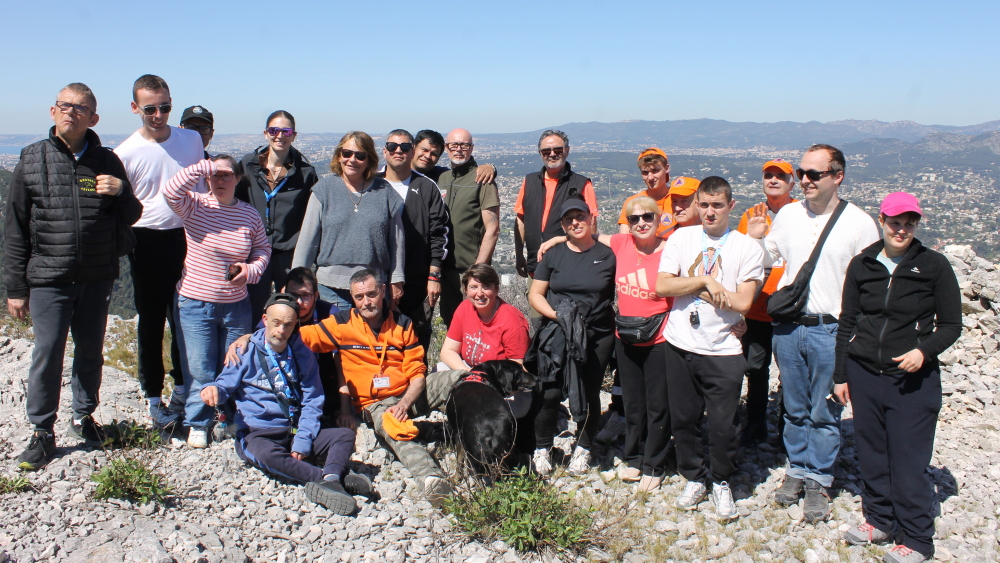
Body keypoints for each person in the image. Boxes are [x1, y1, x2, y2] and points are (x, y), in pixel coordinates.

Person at [228, 269, 463, 507]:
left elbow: (417, 372)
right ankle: (431, 479)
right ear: (352, 298)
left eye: (371, 294)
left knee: (462, 378)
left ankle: (485, 431)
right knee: (395, 430)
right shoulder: (340, 324)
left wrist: (405, 403)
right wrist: (251, 336)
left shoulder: (402, 324)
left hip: (409, 393)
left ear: (382, 292)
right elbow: (289, 333)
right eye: (359, 297)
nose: (366, 301)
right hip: (375, 403)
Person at [6, 83, 142, 470]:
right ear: (53, 112)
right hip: (49, 277)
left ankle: (84, 417)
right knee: (48, 353)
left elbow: (131, 216)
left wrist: (121, 192)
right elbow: (15, 228)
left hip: (97, 276)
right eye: (65, 106)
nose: (71, 113)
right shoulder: (32, 159)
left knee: (90, 351)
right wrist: (17, 287)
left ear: (93, 118)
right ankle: (42, 432)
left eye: (80, 108)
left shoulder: (108, 160)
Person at [746, 144, 879, 522]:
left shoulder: (858, 224)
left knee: (825, 409)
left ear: (837, 176)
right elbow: (769, 257)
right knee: (794, 406)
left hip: (830, 328)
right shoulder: (788, 214)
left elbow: (869, 286)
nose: (804, 180)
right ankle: (797, 468)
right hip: (788, 327)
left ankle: (819, 478)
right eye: (802, 173)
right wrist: (757, 238)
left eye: (813, 174)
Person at [833, 193, 961, 563]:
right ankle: (880, 520)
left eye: (909, 222)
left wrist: (924, 351)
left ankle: (918, 539)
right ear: (882, 220)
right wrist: (841, 374)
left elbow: (952, 324)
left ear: (917, 224)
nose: (901, 229)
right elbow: (848, 321)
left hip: (913, 380)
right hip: (864, 373)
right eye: (894, 221)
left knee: (907, 458)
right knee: (872, 453)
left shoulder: (933, 265)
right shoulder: (864, 263)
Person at [201, 293, 371, 515]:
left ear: (295, 326)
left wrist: (302, 441)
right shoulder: (245, 350)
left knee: (344, 435)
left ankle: (329, 479)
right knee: (265, 455)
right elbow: (224, 386)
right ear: (265, 319)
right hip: (258, 433)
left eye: (288, 325)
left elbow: (313, 399)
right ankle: (330, 478)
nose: (281, 330)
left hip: (294, 429)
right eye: (276, 323)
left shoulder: (302, 353)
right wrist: (213, 390)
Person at [655, 176, 764, 520]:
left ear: (731, 206)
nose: (709, 212)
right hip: (681, 343)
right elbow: (661, 285)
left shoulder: (747, 247)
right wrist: (705, 281)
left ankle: (720, 480)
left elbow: (743, 303)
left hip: (724, 347)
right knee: (684, 418)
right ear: (696, 205)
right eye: (703, 205)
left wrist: (689, 287)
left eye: (717, 205)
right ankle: (693, 475)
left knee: (723, 422)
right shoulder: (681, 237)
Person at [115, 74, 206, 428]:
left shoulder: (191, 139)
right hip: (147, 240)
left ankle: (184, 389)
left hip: (189, 237)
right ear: (135, 108)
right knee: (151, 321)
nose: (158, 115)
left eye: (165, 107)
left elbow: (200, 188)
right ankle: (154, 396)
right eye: (150, 108)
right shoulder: (126, 152)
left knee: (186, 319)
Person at [164, 156, 271, 448]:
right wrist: (202, 167)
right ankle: (197, 422)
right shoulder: (196, 205)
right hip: (196, 302)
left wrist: (250, 271)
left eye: (226, 175)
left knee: (233, 365)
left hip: (236, 304)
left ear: (238, 179)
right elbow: (170, 191)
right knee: (200, 367)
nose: (220, 181)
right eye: (215, 175)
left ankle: (226, 417)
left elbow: (262, 249)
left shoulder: (249, 215)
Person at [527, 199, 616, 477]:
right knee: (550, 390)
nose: (574, 223)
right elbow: (535, 294)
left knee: (590, 390)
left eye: (580, 217)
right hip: (558, 331)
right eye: (568, 220)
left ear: (590, 219)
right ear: (563, 225)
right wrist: (559, 317)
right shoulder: (554, 254)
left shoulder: (608, 255)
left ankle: (584, 447)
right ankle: (542, 447)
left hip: (597, 332)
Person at [292, 131, 404, 311]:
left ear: (369, 160)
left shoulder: (385, 192)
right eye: (347, 153)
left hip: (373, 288)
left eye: (360, 156)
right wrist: (296, 281)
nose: (352, 160)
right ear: (338, 156)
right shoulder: (324, 190)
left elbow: (396, 241)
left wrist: (396, 279)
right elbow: (307, 241)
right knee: (337, 339)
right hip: (331, 287)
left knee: (371, 339)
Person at [735, 158, 797, 445]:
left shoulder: (802, 214)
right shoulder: (751, 215)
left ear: (791, 182)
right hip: (759, 310)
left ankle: (788, 429)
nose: (773, 180)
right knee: (755, 369)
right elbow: (738, 259)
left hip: (791, 309)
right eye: (768, 176)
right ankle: (756, 424)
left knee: (791, 371)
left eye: (780, 177)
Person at [236, 111, 319, 317]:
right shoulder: (248, 165)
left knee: (293, 310)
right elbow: (237, 203)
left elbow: (311, 214)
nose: (280, 136)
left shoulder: (305, 172)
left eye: (286, 131)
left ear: (294, 135)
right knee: (255, 309)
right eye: (274, 130)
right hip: (255, 251)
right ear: (266, 133)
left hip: (289, 254)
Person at [378, 129, 451, 351]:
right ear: (385, 151)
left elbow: (439, 233)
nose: (398, 151)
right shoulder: (371, 184)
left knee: (417, 342)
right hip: (377, 279)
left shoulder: (427, 187)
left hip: (417, 281)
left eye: (404, 147)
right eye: (392, 146)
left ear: (411, 152)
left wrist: (434, 275)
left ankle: (419, 386)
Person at [514, 130, 600, 281]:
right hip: (536, 268)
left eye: (558, 150)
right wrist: (519, 254)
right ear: (540, 153)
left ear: (567, 151)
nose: (552, 154)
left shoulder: (581, 184)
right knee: (536, 302)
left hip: (569, 268)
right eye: (546, 150)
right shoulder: (529, 181)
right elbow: (521, 220)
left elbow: (591, 225)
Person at [437, 128, 501, 327]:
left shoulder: (482, 179)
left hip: (470, 270)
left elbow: (493, 228)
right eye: (453, 145)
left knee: (476, 326)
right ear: (446, 148)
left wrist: (477, 269)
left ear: (471, 148)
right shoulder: (442, 178)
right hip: (445, 271)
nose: (458, 150)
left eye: (464, 145)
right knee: (451, 324)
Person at [440, 264, 530, 370]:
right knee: (441, 367)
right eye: (473, 287)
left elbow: (518, 368)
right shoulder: (464, 308)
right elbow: (448, 351)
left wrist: (482, 379)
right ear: (466, 290)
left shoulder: (512, 319)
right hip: (470, 370)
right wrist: (468, 373)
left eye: (486, 287)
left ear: (496, 289)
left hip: (500, 378)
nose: (479, 293)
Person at [616, 148, 695, 238]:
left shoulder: (678, 200)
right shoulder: (633, 202)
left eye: (655, 171)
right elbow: (624, 239)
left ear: (667, 168)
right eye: (645, 173)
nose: (650, 178)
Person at [410, 129, 497, 184]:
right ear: (413, 148)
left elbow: (463, 175)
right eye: (424, 150)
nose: (427, 156)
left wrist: (491, 168)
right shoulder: (399, 173)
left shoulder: (441, 176)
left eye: (434, 154)